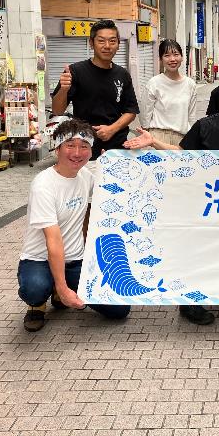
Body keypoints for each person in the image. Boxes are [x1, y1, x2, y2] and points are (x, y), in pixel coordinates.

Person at [124, 79, 219, 325]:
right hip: (202, 203)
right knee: (198, 252)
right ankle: (189, 303)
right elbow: (181, 154)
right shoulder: (204, 126)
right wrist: (154, 142)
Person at [17, 119, 131, 332]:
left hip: (75, 260)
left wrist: (111, 167)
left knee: (119, 310)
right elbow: (53, 240)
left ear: (91, 151)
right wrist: (63, 288)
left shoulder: (85, 176)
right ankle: (38, 303)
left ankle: (60, 288)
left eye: (84, 146)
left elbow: (116, 191)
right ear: (57, 149)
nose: (77, 153)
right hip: (39, 259)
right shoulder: (43, 185)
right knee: (35, 288)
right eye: (70, 145)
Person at [51, 19, 139, 160]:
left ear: (118, 45)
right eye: (101, 41)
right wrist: (63, 90)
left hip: (117, 145)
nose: (107, 46)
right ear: (91, 43)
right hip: (84, 145)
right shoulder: (75, 71)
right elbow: (57, 111)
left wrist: (112, 129)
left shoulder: (122, 74)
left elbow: (131, 111)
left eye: (112, 41)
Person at [141, 39, 197, 146]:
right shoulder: (154, 83)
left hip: (182, 138)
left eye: (176, 54)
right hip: (157, 136)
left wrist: (192, 138)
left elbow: (191, 116)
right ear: (160, 59)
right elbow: (145, 114)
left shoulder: (190, 84)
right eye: (167, 55)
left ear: (182, 57)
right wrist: (147, 135)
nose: (172, 59)